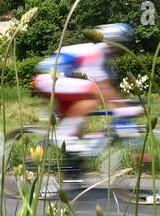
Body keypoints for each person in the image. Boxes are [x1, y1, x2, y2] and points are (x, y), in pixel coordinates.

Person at [30, 24, 132, 153]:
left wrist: (122, 104)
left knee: (78, 129)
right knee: (95, 92)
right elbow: (102, 87)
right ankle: (63, 135)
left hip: (59, 79)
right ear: (113, 43)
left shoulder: (105, 58)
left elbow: (111, 89)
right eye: (120, 47)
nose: (120, 52)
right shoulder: (96, 53)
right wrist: (124, 109)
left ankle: (72, 166)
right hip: (49, 78)